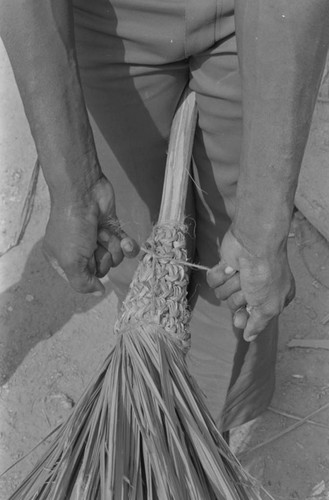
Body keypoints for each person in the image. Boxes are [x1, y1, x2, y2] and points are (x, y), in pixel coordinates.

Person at [1, 0, 328, 434]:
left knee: (240, 277)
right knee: (130, 238)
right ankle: (154, 400)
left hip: (259, 15)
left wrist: (266, 226)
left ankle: (206, 431)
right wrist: (73, 188)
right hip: (105, 17)